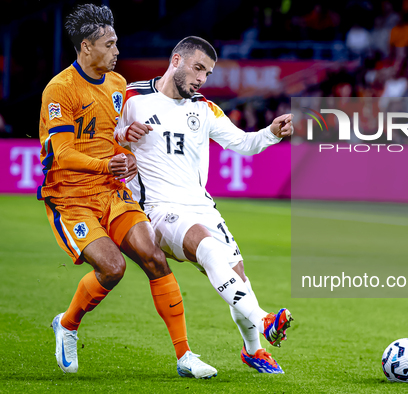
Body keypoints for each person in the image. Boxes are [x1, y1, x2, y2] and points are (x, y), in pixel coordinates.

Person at [38, 4, 216, 379]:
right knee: (113, 267)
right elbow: (63, 152)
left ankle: (185, 356)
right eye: (110, 43)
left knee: (154, 257)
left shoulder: (118, 85)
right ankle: (68, 324)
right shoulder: (60, 89)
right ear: (86, 47)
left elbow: (114, 139)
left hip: (111, 191)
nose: (117, 50)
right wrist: (109, 163)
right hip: (71, 199)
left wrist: (126, 149)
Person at [114, 36, 294, 374]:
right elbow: (102, 136)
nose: (202, 79)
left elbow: (241, 142)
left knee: (239, 278)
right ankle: (265, 318)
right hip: (159, 208)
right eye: (198, 68)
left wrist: (271, 132)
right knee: (210, 250)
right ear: (177, 60)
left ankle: (254, 350)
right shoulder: (132, 98)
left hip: (203, 207)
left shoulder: (204, 108)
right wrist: (120, 138)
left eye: (208, 73)